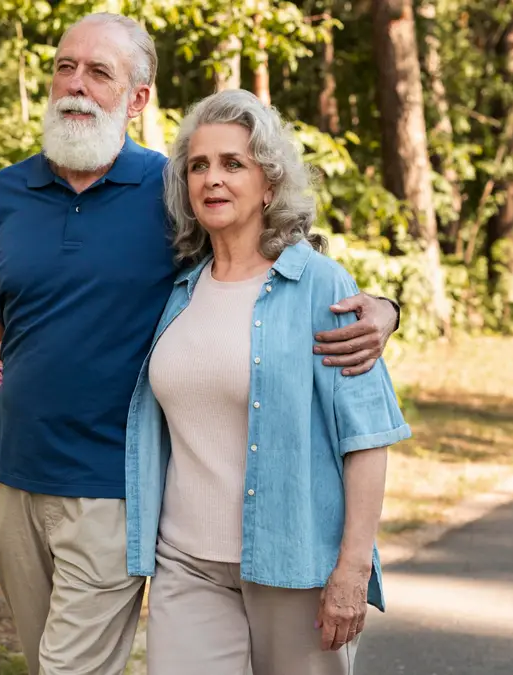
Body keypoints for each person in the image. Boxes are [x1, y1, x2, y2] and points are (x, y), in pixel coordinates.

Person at [0, 13, 401, 675]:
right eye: (65, 65)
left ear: (137, 98)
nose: (75, 84)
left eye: (99, 71)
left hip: (155, 504)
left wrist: (385, 309)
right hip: (96, 520)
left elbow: (285, 273)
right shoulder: (13, 201)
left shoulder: (188, 206)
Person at [122, 88, 411, 674]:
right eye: (198, 166)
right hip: (185, 563)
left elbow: (367, 438)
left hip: (294, 563)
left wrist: (352, 569)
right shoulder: (176, 291)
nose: (213, 179)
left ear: (270, 184)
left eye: (234, 164)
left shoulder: (320, 286)